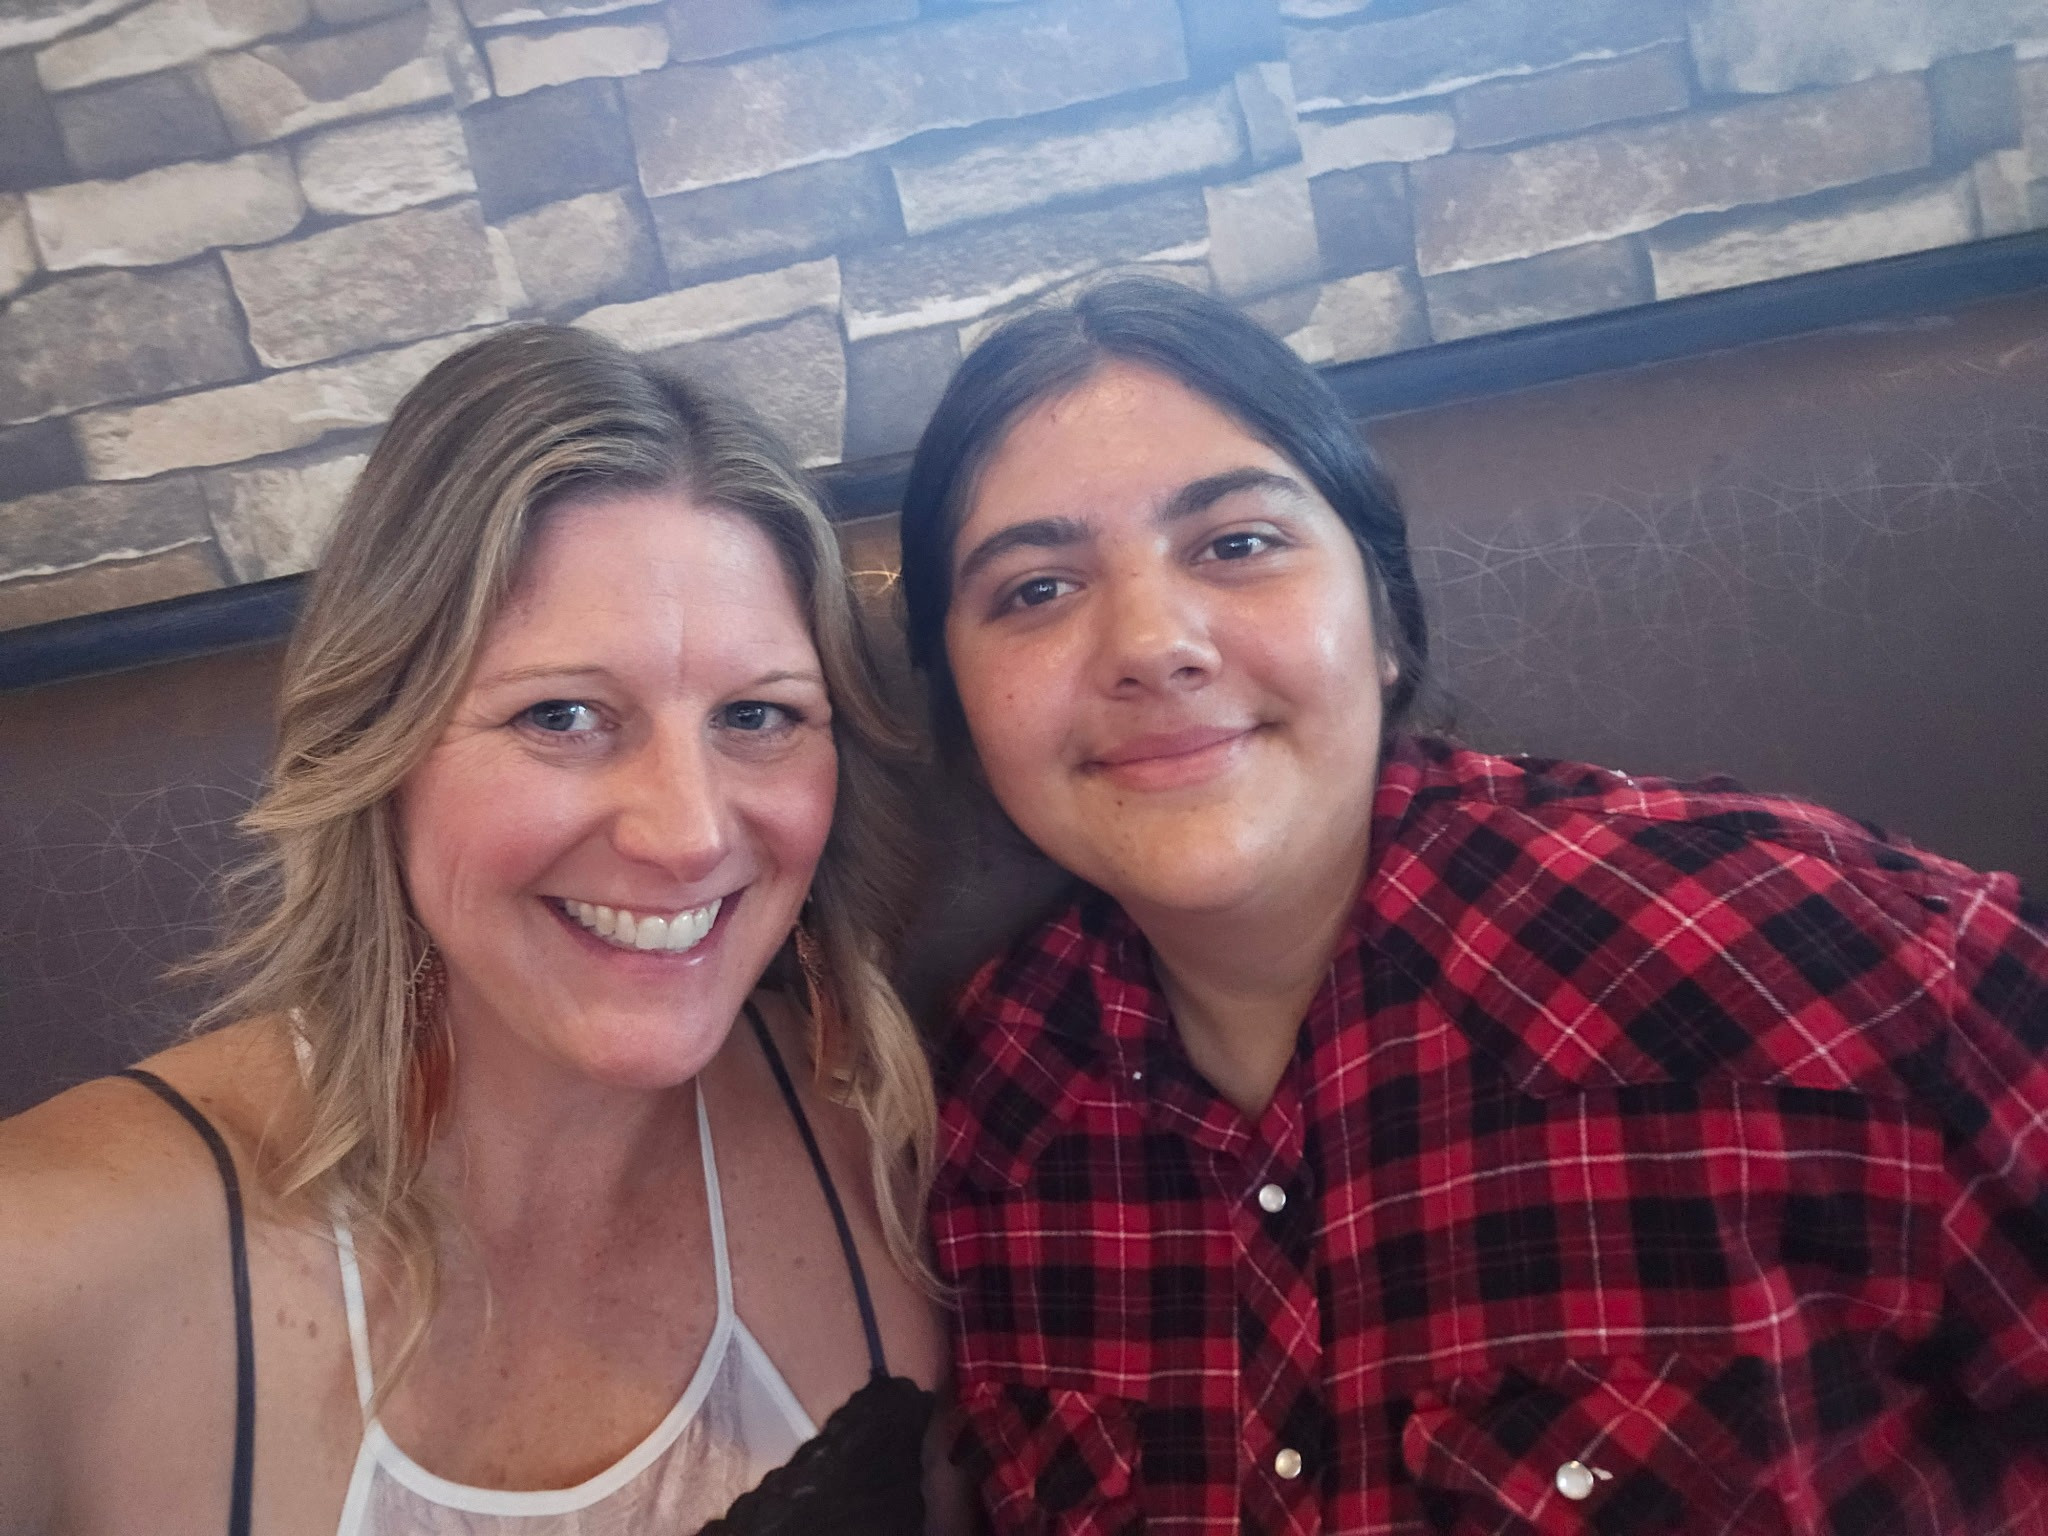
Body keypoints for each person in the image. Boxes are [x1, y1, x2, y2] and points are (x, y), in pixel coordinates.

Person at [897, 277, 2048, 1534]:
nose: (1150, 643)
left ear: (1384, 622)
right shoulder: (981, 1113)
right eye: (1035, 589)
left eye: (1235, 544)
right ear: (959, 710)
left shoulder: (1801, 950)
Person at [0, 325, 964, 1535]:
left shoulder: (885, 1156)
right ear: (380, 749)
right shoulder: (51, 1263)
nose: (686, 834)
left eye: (757, 716)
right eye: (561, 714)